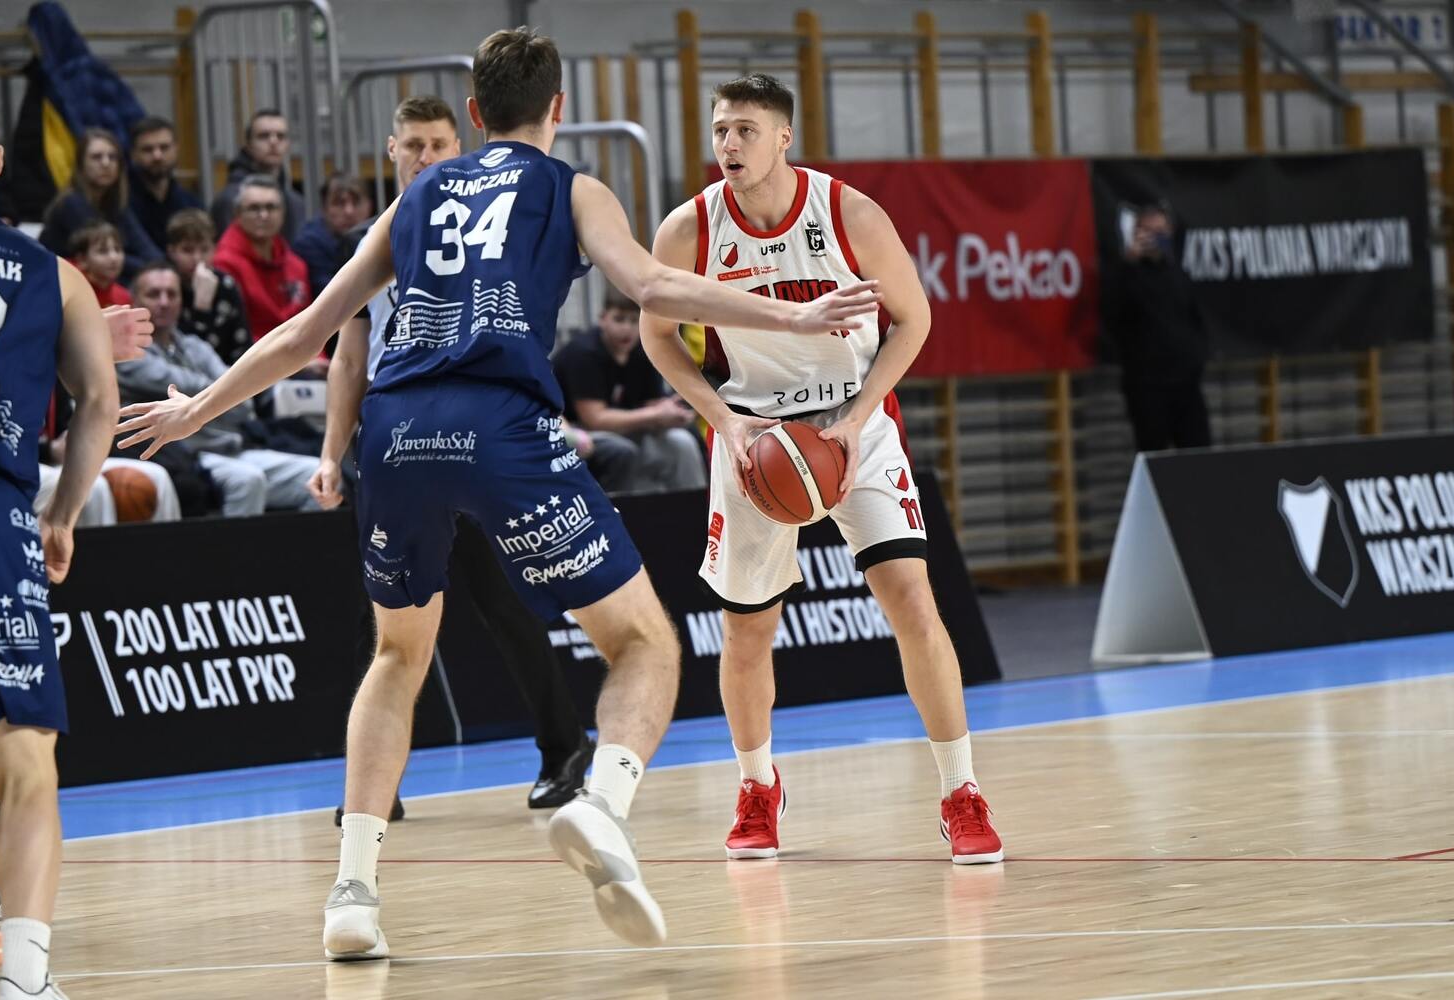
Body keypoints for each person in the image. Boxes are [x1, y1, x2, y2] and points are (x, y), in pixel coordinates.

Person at [115, 27, 878, 958]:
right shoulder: (572, 188)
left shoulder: (417, 194)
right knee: (643, 642)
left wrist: (196, 409)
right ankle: (602, 804)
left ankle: (352, 893)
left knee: (395, 656)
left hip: (396, 433)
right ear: (558, 107)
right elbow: (652, 285)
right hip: (501, 427)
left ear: (473, 114)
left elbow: (310, 329)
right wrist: (791, 315)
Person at [639, 73, 1003, 866]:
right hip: (754, 434)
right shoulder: (689, 228)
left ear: (782, 138)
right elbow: (656, 336)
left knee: (911, 600)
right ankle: (756, 787)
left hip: (854, 423)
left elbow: (914, 320)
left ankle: (961, 791)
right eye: (720, 129)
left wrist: (858, 416)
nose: (728, 144)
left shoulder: (849, 214)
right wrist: (723, 419)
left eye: (744, 130)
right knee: (746, 628)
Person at [312, 94, 593, 813]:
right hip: (396, 445)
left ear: (460, 146)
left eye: (438, 144)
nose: (425, 156)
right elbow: (349, 358)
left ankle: (565, 747)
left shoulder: (488, 227)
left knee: (504, 600)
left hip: (479, 438)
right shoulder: (376, 239)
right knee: (379, 623)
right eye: (413, 145)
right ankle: (376, 785)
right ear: (391, 150)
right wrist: (330, 453)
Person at [0, 105, 121, 1000]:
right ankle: (27, 975)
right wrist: (63, 513)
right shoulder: (53, 274)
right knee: (25, 758)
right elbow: (100, 401)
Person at [118, 261, 316, 516]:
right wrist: (222, 391)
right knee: (247, 480)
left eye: (172, 294)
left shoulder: (195, 346)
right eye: (154, 294)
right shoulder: (127, 353)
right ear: (134, 300)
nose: (164, 302)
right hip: (185, 456)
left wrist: (217, 394)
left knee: (316, 475)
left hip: (233, 447)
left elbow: (244, 402)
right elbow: (228, 387)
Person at [554, 290, 706, 494]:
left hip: (630, 430)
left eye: (634, 321)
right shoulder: (584, 353)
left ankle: (697, 507)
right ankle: (619, 512)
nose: (627, 329)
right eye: (619, 319)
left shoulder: (643, 350)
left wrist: (672, 412)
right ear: (602, 319)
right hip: (580, 432)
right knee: (621, 451)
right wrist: (655, 414)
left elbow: (652, 403)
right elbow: (595, 419)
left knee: (683, 441)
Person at [1106, 203, 1211, 452]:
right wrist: (1129, 263)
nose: (1157, 238)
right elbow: (1112, 312)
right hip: (1148, 386)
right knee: (1154, 454)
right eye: (1150, 232)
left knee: (1199, 451)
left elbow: (1194, 318)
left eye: (1162, 232)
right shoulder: (1126, 274)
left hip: (1186, 383)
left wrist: (1197, 358)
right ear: (1138, 234)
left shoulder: (1177, 273)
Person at [211, 176, 315, 369]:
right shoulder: (223, 264)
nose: (264, 215)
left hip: (302, 360)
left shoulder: (297, 265)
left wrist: (316, 357)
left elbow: (309, 323)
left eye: (271, 207)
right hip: (250, 365)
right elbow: (236, 335)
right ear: (237, 214)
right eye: (254, 208)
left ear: (283, 213)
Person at [39, 128, 161, 280]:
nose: (106, 163)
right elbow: (107, 260)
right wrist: (154, 269)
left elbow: (146, 248)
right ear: (81, 164)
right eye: (96, 157)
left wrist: (161, 267)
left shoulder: (116, 204)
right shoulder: (71, 204)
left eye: (112, 157)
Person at [166, 209, 251, 367]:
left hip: (228, 370)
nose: (197, 258)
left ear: (214, 249)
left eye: (204, 250)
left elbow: (241, 344)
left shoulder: (226, 285)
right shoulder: (166, 288)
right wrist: (201, 309)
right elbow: (181, 353)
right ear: (172, 252)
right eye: (187, 250)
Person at [210, 110, 307, 242]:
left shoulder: (296, 203)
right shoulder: (230, 200)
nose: (273, 141)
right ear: (248, 144)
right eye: (264, 136)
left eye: (280, 136)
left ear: (288, 144)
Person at [126, 116, 203, 252]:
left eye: (164, 147)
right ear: (133, 154)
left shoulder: (191, 203)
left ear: (176, 149)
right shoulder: (122, 204)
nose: (157, 156)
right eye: (148, 149)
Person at [293, 173, 371, 298]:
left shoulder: (379, 234)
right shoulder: (309, 244)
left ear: (369, 205)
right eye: (339, 203)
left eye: (356, 202)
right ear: (324, 208)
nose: (349, 211)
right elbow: (333, 296)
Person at [65, 222, 129, 308]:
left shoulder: (123, 297)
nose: (114, 257)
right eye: (102, 251)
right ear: (82, 260)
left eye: (117, 249)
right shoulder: (67, 290)